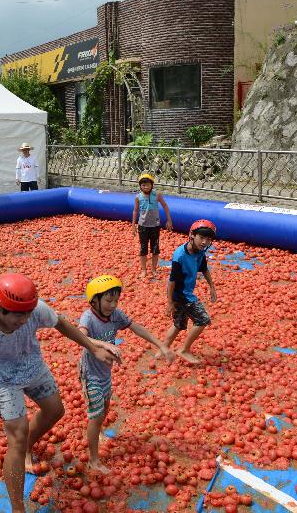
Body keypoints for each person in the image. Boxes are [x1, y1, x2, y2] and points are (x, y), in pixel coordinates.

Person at [0, 274, 120, 513]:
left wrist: (93, 347)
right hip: (6, 380)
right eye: (18, 315)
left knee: (56, 411)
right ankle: (18, 508)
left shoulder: (33, 308)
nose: (24, 320)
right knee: (16, 439)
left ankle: (28, 446)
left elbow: (62, 324)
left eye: (27, 314)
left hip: (34, 368)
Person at [79, 275, 174, 472]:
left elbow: (136, 328)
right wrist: (103, 343)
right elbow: (81, 336)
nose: (113, 305)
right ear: (94, 301)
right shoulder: (88, 317)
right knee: (96, 416)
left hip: (105, 372)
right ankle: (93, 460)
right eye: (108, 300)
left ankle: (99, 431)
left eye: (116, 300)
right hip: (91, 374)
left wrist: (161, 345)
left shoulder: (115, 315)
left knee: (104, 409)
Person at [160, 219, 218, 364]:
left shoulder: (200, 252)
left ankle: (161, 351)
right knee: (203, 319)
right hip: (182, 295)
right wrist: (169, 302)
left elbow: (204, 268)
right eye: (202, 237)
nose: (204, 242)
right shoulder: (179, 256)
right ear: (192, 235)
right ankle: (184, 350)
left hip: (183, 293)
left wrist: (212, 286)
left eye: (208, 239)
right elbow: (172, 281)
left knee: (178, 325)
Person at [132, 173, 173, 278]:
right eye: (143, 185)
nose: (145, 186)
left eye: (147, 184)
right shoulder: (138, 197)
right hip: (143, 226)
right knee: (143, 249)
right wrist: (133, 225)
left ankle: (154, 269)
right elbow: (135, 211)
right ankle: (144, 270)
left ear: (152, 185)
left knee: (155, 249)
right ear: (140, 186)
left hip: (155, 226)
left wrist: (169, 220)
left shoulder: (157, 195)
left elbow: (165, 206)